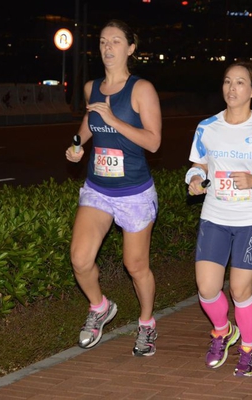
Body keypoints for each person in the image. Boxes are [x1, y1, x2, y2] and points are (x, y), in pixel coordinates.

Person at [185, 61, 252, 376]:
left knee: (240, 291)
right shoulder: (206, 127)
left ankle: (248, 349)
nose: (232, 88)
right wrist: (195, 179)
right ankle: (222, 331)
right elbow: (198, 165)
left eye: (240, 82)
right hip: (215, 217)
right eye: (227, 81)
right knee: (207, 288)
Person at [65, 19, 162, 356]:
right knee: (80, 259)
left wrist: (114, 121)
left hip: (134, 193)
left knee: (135, 266)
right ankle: (99, 307)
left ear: (131, 48)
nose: (108, 47)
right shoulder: (92, 87)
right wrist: (77, 145)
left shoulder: (141, 89)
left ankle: (147, 323)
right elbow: (88, 123)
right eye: (103, 41)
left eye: (116, 41)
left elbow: (153, 142)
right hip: (98, 189)